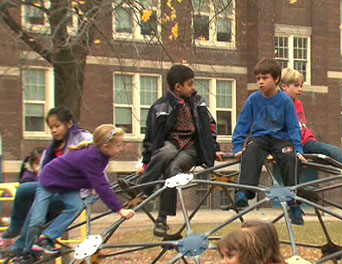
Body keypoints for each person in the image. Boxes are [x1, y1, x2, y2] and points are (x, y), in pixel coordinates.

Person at [16, 125, 134, 262]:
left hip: (67, 185)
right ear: (106, 146)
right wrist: (119, 210)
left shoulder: (101, 155)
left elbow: (92, 177)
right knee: (37, 219)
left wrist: (93, 184)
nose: (121, 148)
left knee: (76, 206)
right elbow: (102, 186)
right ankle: (27, 251)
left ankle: (46, 238)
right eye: (119, 145)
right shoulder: (92, 157)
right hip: (49, 181)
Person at [138, 64, 223, 237]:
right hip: (172, 143)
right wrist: (146, 162)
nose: (193, 88)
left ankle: (162, 219)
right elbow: (150, 137)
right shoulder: (161, 107)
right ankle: (141, 188)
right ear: (178, 87)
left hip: (192, 148)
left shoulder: (198, 103)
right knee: (165, 153)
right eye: (190, 84)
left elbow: (210, 126)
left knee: (172, 170)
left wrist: (213, 149)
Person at [0, 106, 92, 252]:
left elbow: (94, 153)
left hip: (71, 191)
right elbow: (45, 167)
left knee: (38, 208)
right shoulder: (54, 145)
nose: (54, 130)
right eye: (51, 127)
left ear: (69, 124)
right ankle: (15, 228)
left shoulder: (81, 137)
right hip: (51, 185)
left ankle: (24, 246)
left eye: (57, 126)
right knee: (23, 190)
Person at [232, 58, 306, 225]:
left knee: (290, 158)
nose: (260, 82)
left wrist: (298, 150)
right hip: (260, 138)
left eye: (265, 78)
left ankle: (293, 202)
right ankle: (243, 192)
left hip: (281, 138)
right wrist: (238, 146)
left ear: (276, 79)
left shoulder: (285, 101)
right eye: (258, 78)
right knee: (250, 152)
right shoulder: (254, 99)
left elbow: (294, 127)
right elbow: (243, 123)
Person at [279, 68, 342, 203]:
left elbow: (302, 126)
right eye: (296, 86)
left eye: (301, 85)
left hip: (306, 142)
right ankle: (296, 196)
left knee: (334, 152)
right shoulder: (278, 105)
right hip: (291, 146)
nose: (300, 89)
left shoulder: (298, 103)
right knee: (293, 165)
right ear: (284, 87)